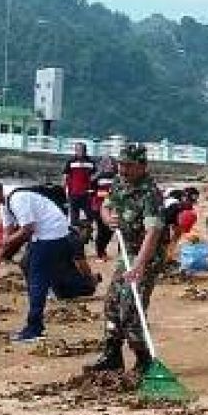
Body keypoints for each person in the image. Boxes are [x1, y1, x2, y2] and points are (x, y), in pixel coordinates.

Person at [0, 175, 91, 343]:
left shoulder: (18, 198)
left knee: (37, 279)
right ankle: (56, 290)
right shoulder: (4, 201)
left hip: (54, 235)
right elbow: (7, 232)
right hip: (42, 235)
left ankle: (34, 328)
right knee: (26, 265)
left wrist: (4, 243)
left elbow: (27, 230)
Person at [85, 144, 167, 375]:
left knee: (131, 306)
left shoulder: (151, 194)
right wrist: (108, 218)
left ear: (143, 166)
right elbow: (105, 206)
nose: (123, 169)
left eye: (129, 165)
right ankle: (112, 355)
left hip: (147, 255)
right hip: (126, 252)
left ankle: (144, 359)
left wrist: (140, 265)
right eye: (121, 164)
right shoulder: (119, 183)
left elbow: (153, 233)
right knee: (112, 302)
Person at [90, 156, 118, 262]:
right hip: (98, 207)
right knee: (101, 230)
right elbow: (92, 192)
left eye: (111, 163)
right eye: (106, 163)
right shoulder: (98, 177)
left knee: (110, 231)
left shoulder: (118, 178)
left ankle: (103, 250)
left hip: (113, 208)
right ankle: (100, 253)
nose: (109, 165)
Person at [63, 142, 96, 227]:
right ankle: (75, 235)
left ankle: (88, 232)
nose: (79, 151)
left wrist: (93, 191)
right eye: (77, 149)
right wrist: (65, 190)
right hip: (73, 193)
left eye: (81, 149)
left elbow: (94, 177)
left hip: (86, 193)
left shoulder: (91, 162)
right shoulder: (70, 161)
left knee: (90, 215)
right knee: (74, 218)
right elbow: (65, 176)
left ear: (85, 150)